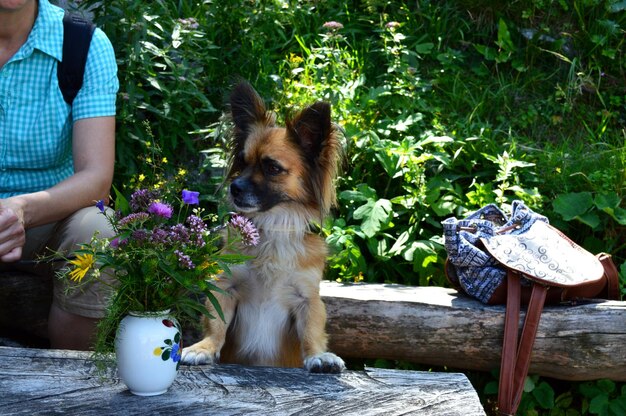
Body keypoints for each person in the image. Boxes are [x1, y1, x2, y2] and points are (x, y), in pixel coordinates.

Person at [0, 0, 118, 350]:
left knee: (99, 231)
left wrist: (19, 210)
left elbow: (96, 178)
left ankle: (71, 385)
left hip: (46, 220)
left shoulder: (82, 45)